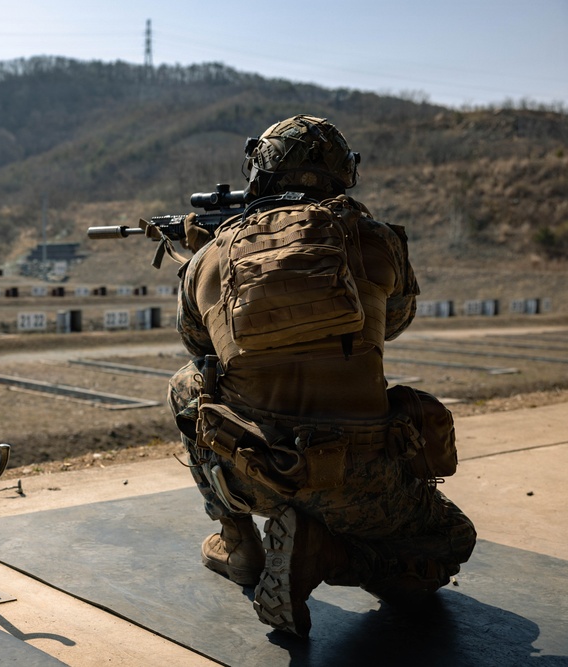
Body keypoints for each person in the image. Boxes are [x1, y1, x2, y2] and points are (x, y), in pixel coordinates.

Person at [168, 114, 476, 638]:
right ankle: (327, 554)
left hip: (254, 468)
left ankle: (240, 544)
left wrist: (203, 253)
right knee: (447, 545)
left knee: (187, 385)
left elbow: (201, 345)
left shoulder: (212, 256)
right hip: (359, 477)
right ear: (343, 173)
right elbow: (395, 323)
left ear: (257, 172)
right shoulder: (379, 241)